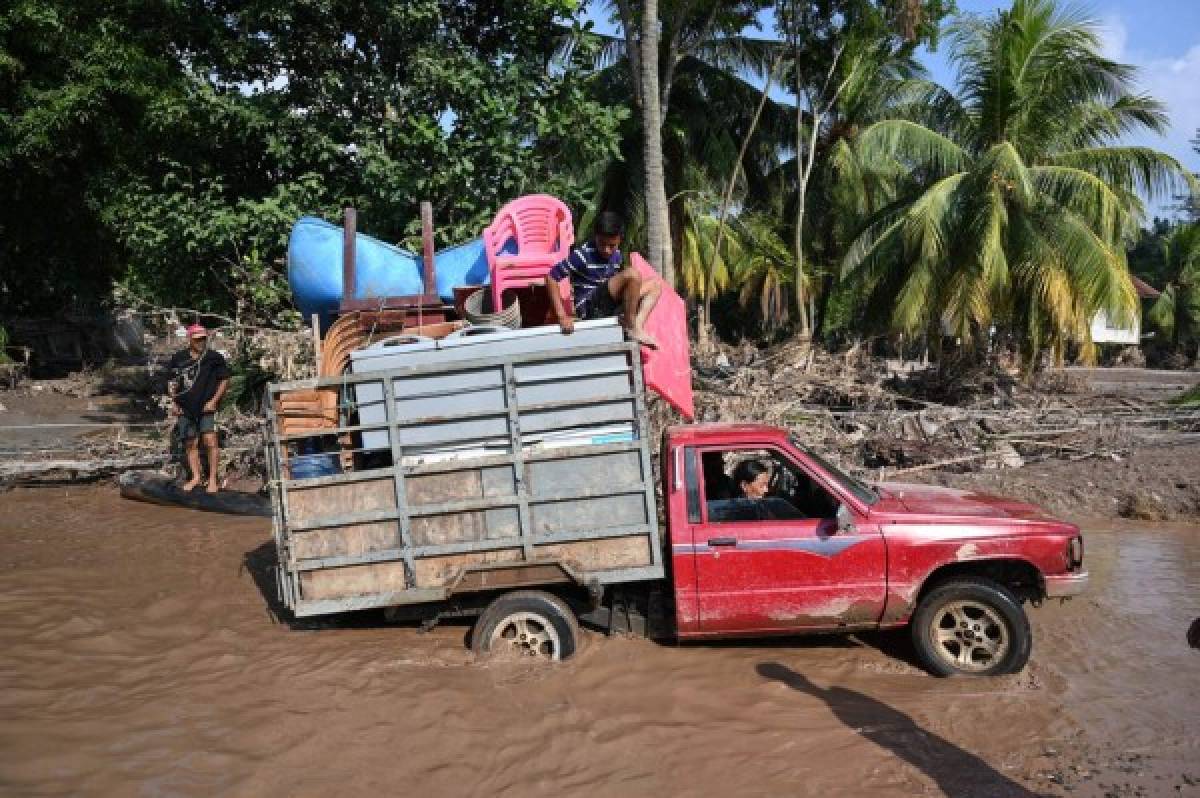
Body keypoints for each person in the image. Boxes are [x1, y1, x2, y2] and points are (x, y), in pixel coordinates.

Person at [544, 211, 661, 349]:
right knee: (632, 275)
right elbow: (550, 277)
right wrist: (562, 315)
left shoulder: (617, 256)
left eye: (612, 245)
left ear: (619, 239)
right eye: (602, 244)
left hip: (608, 305)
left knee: (655, 284)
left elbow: (616, 288)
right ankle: (631, 327)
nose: (606, 250)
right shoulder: (582, 255)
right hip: (590, 308)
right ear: (596, 236)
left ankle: (636, 326)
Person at [167, 324, 230, 493]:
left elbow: (224, 380)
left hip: (206, 407)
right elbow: (173, 383)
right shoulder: (178, 358)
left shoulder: (214, 358)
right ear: (190, 340)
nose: (201, 342)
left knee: (210, 441)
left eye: (203, 338)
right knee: (190, 443)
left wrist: (214, 401)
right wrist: (174, 403)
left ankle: (212, 480)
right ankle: (195, 477)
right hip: (185, 408)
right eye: (197, 339)